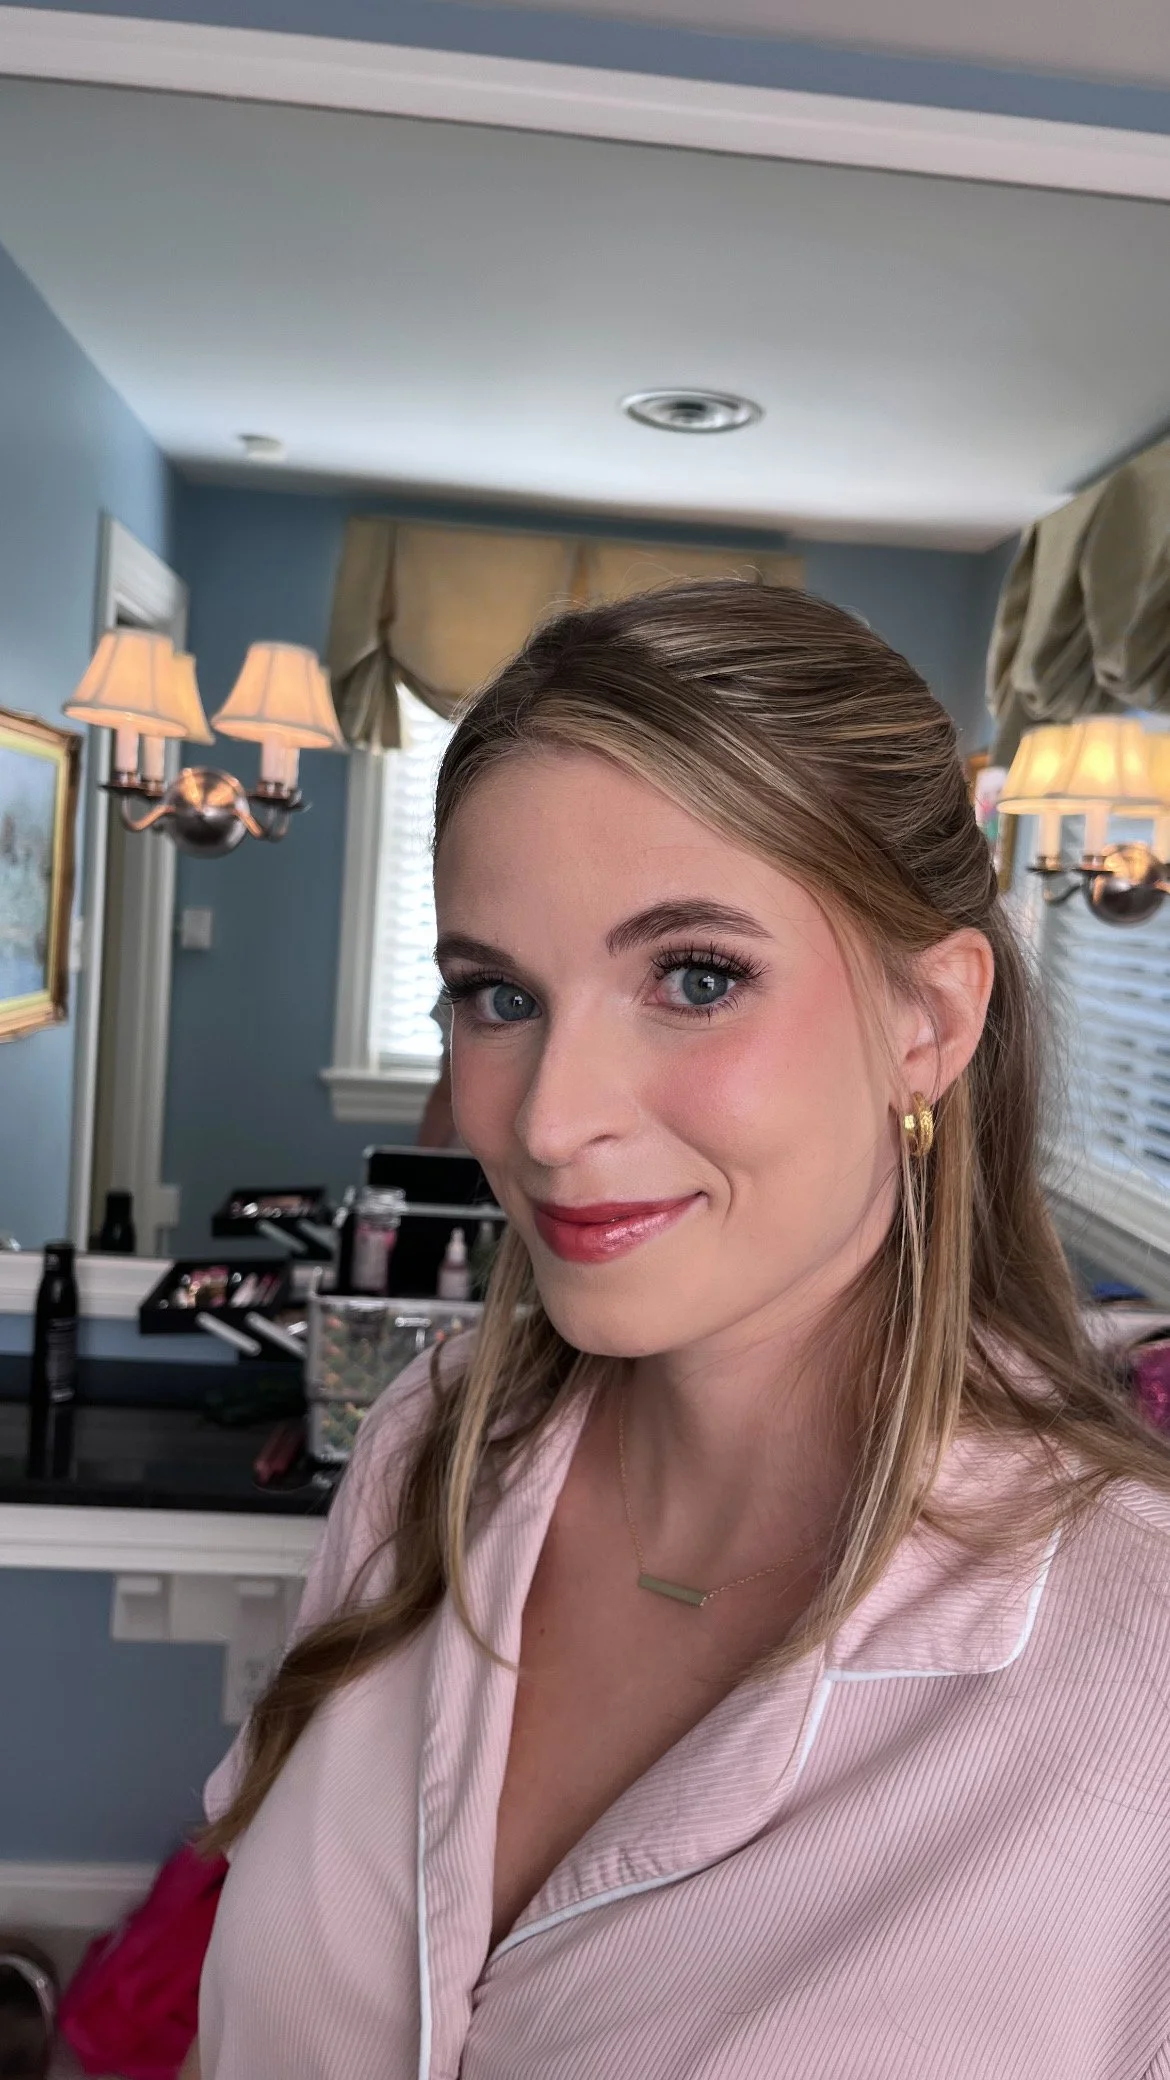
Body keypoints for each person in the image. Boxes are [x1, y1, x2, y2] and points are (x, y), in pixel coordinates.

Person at [188, 583, 1170, 2079]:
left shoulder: (1135, 1668)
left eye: (695, 976)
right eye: (496, 994)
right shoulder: (430, 1448)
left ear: (928, 1018)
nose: (546, 1119)